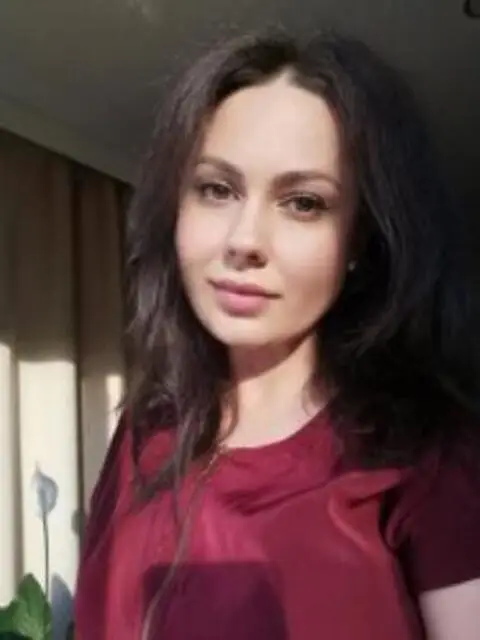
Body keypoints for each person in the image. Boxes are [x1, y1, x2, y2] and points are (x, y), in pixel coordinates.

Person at [74, 30, 480, 640]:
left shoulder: (429, 459)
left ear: (360, 241)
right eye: (217, 189)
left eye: (304, 203)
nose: (244, 240)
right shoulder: (145, 429)